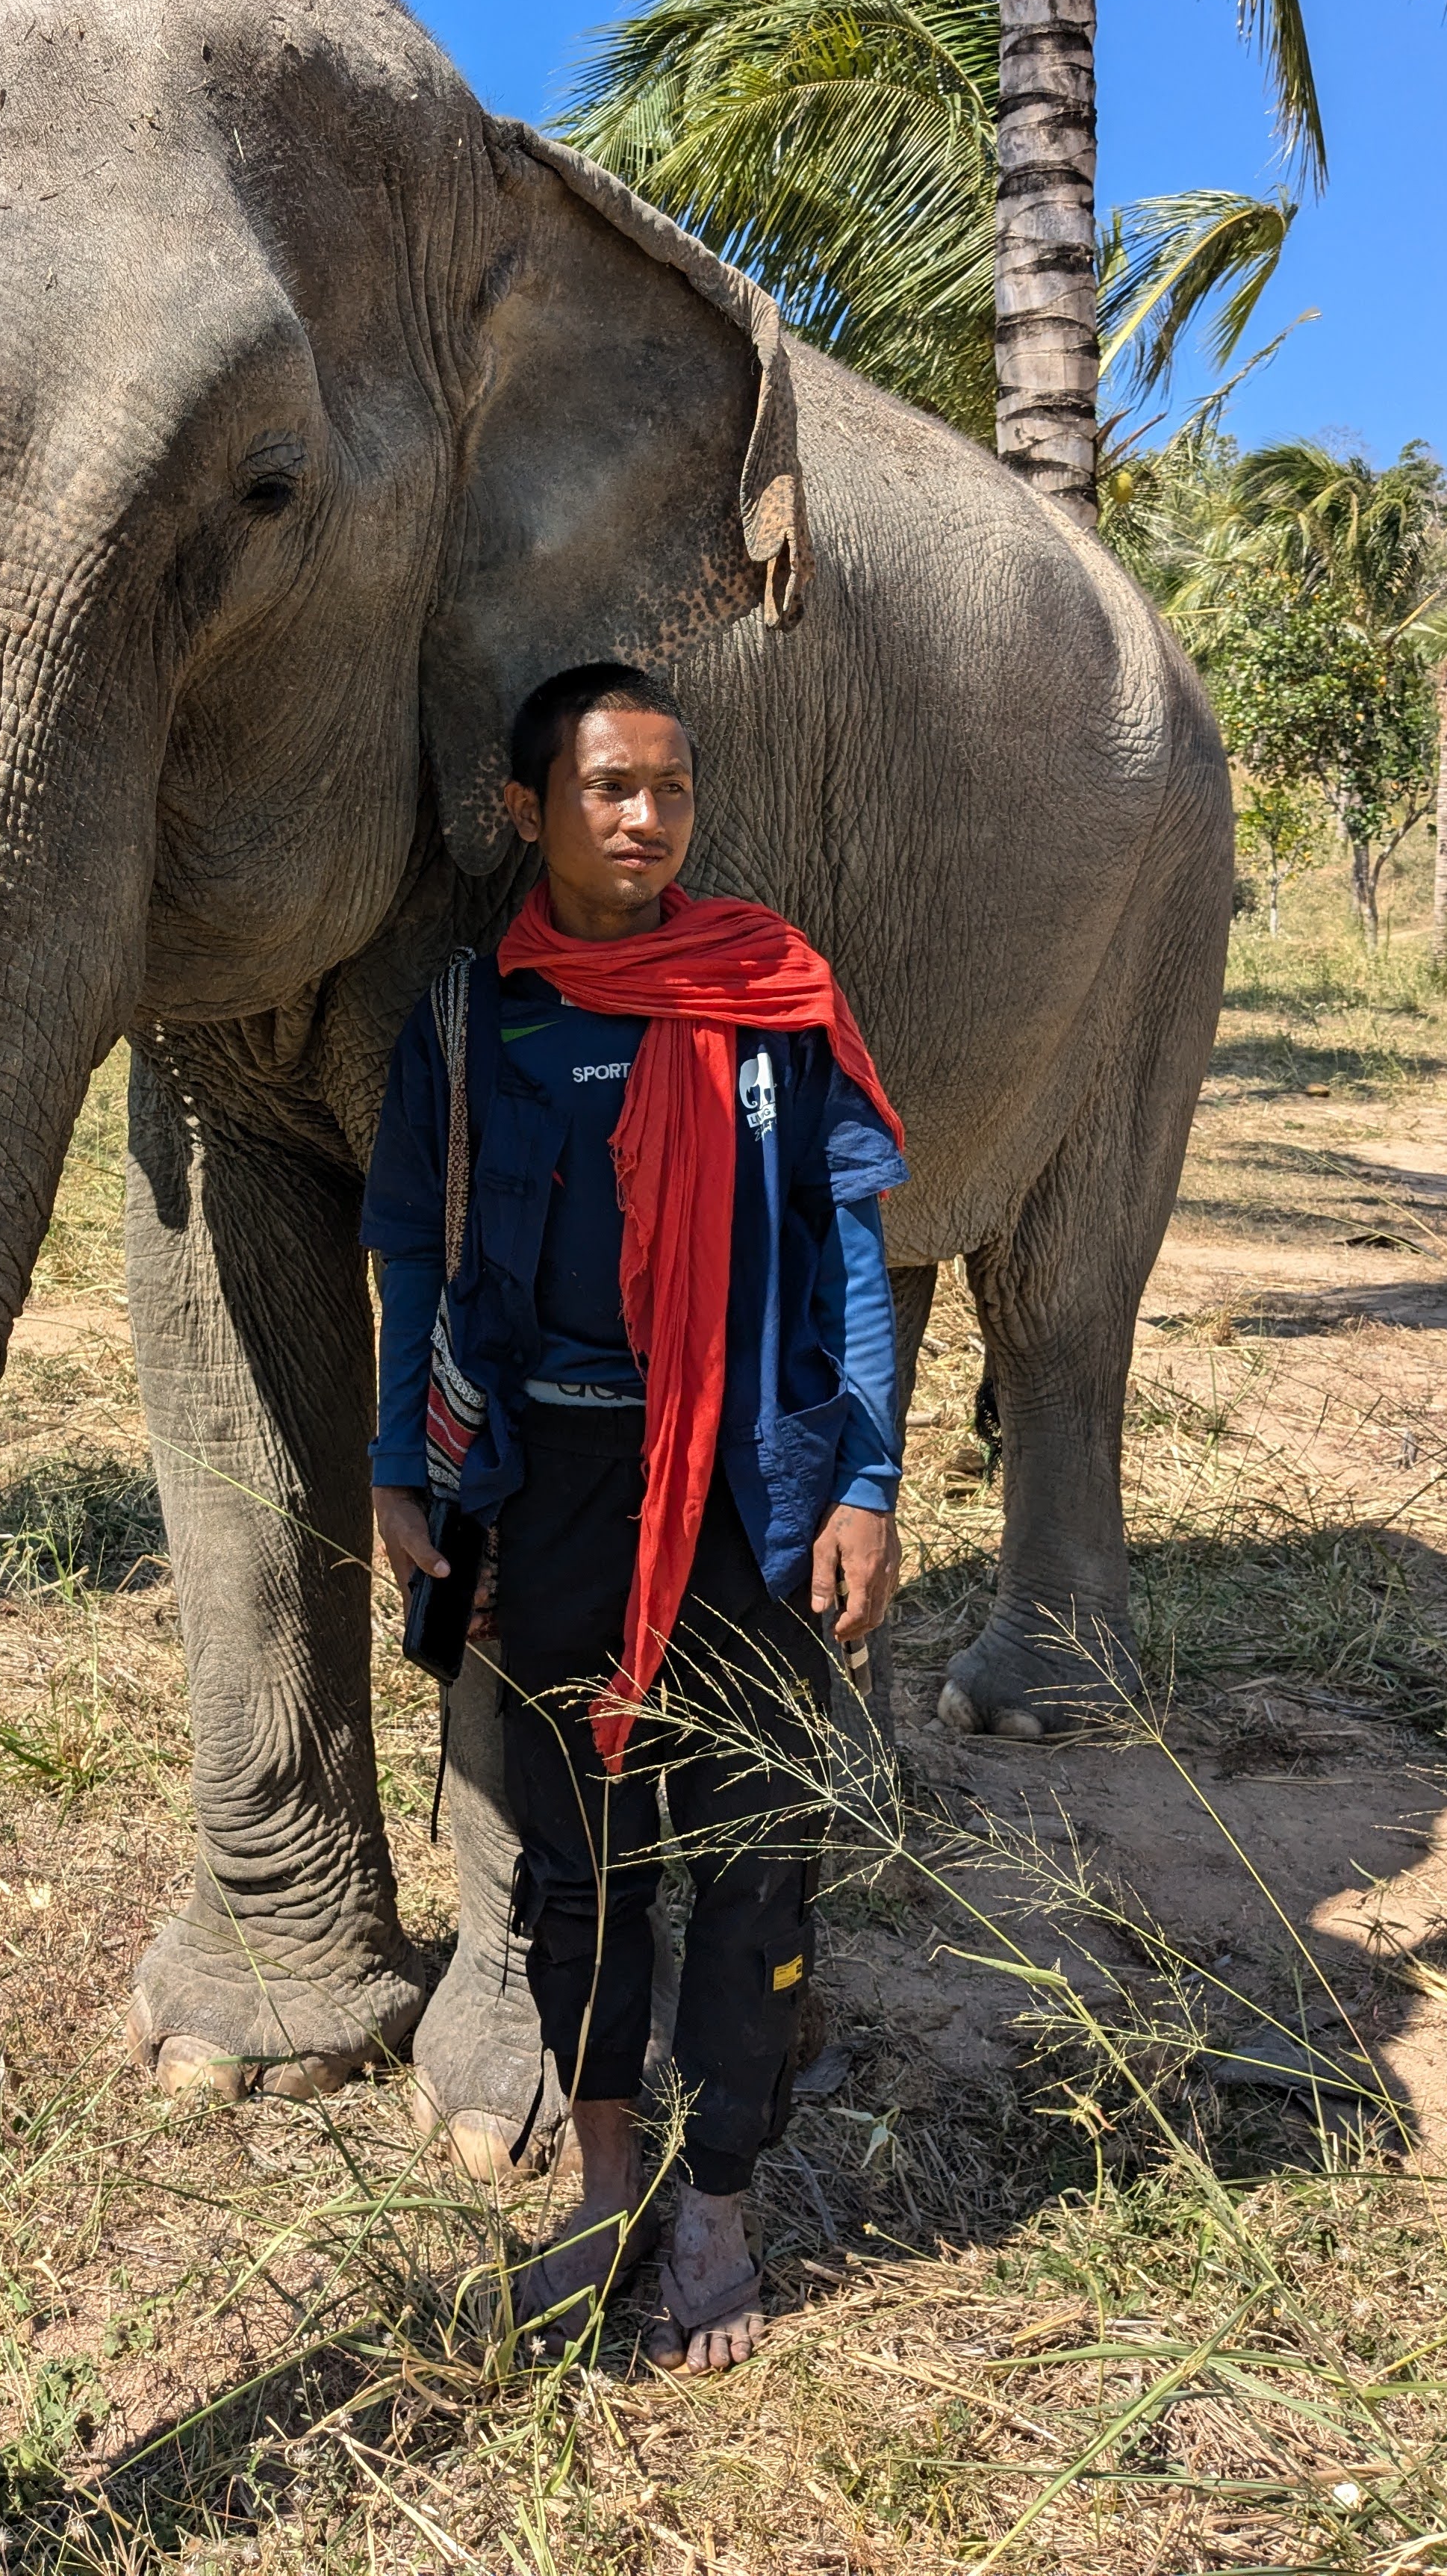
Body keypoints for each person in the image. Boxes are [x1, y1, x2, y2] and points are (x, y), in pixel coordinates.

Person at [362, 661, 909, 2376]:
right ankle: (606, 2183)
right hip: (554, 1482)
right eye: (607, 788)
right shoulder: (473, 1019)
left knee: (758, 1850)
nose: (644, 818)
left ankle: (721, 2198)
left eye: (668, 788)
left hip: (757, 1488)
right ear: (529, 811)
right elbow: (410, 1255)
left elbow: (854, 1260)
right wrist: (401, 1461)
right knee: (575, 1855)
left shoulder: (770, 997)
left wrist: (872, 1483)